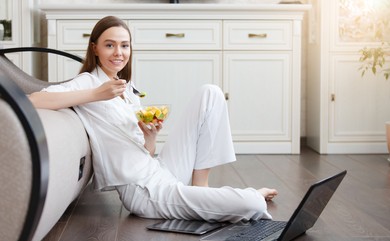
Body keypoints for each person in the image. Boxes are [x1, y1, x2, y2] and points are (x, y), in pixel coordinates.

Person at [29, 16, 278, 223]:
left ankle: (200, 188)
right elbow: (34, 100)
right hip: (143, 192)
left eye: (125, 45)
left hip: (159, 170)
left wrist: (150, 137)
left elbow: (145, 153)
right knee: (250, 202)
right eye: (110, 45)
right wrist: (96, 94)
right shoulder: (88, 82)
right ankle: (241, 197)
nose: (119, 53)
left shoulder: (127, 89)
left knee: (210, 93)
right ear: (95, 48)